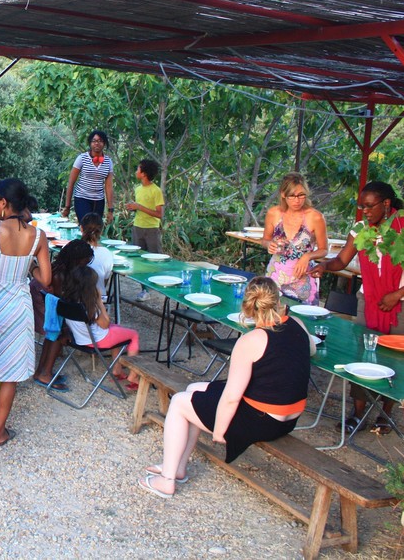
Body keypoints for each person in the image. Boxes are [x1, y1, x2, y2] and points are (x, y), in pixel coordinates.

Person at [138, 277, 311, 498]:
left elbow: (231, 396)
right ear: (278, 302)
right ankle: (178, 467)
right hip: (287, 420)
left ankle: (167, 480)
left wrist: (219, 431)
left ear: (247, 307)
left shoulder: (251, 340)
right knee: (194, 389)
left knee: (180, 402)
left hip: (262, 421)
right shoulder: (297, 324)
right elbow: (310, 350)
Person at [310, 181, 404, 433]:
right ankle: (359, 412)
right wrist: (324, 266)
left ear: (386, 204)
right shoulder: (361, 230)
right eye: (361, 206)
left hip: (400, 304)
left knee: (395, 358)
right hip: (369, 300)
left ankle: (386, 412)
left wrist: (397, 294)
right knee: (363, 354)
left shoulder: (402, 227)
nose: (365, 211)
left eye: (369, 206)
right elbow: (342, 259)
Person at [0, 178, 51, 445]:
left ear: (4, 202)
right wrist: (27, 267)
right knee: (11, 375)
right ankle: (0, 432)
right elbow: (46, 279)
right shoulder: (38, 236)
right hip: (19, 308)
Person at [62, 265, 141, 390]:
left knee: (118, 330)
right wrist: (99, 301)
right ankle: (134, 376)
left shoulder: (67, 301)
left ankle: (117, 369)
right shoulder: (89, 305)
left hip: (79, 339)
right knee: (133, 334)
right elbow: (105, 324)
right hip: (97, 341)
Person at [33, 240, 94, 388]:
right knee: (58, 335)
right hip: (42, 302)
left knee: (52, 334)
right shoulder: (59, 275)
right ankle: (45, 374)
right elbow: (61, 304)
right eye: (84, 263)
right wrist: (65, 329)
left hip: (46, 301)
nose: (85, 266)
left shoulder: (61, 268)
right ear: (76, 260)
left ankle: (41, 371)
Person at [261, 172, 327, 304]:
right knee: (271, 317)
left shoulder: (315, 217)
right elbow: (264, 240)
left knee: (303, 321)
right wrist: (269, 245)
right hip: (276, 275)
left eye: (301, 195)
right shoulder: (273, 213)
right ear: (283, 194)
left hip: (303, 279)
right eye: (292, 196)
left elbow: (324, 249)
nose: (297, 200)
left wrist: (307, 256)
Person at [125, 159, 165, 302]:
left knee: (154, 259)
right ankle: (144, 290)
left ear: (144, 173)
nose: (136, 171)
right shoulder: (137, 189)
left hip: (152, 229)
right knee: (139, 260)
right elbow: (139, 209)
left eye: (138, 169)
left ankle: (160, 286)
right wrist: (132, 208)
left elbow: (159, 214)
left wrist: (139, 207)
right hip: (138, 227)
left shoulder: (156, 191)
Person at [62, 130, 114, 223]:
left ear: (104, 143)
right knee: (85, 227)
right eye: (94, 141)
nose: (97, 143)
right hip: (82, 198)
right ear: (90, 143)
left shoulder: (108, 162)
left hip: (99, 200)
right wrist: (67, 206)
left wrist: (110, 210)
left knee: (96, 229)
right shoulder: (82, 158)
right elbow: (71, 182)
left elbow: (109, 186)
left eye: (100, 141)